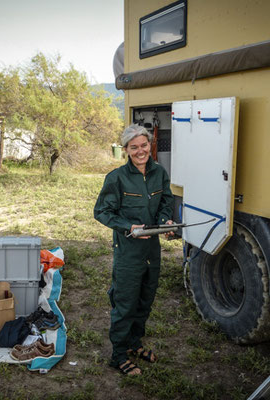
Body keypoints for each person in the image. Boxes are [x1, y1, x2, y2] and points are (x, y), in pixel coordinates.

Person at [94, 124, 174, 375]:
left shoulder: (159, 173)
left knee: (145, 300)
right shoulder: (116, 178)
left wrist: (165, 222)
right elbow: (102, 212)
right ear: (126, 150)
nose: (141, 151)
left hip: (152, 249)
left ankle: (134, 343)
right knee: (126, 303)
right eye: (134, 147)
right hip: (128, 251)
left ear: (150, 145)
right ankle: (118, 355)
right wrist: (129, 226)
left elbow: (166, 201)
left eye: (144, 145)